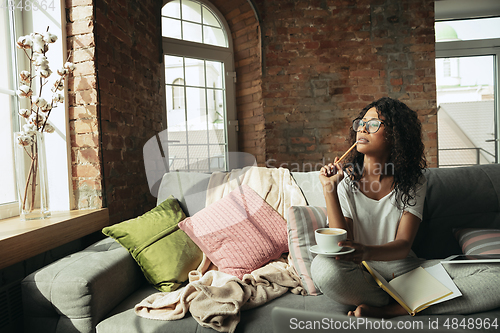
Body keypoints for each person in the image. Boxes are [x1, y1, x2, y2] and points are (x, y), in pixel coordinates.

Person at [311, 97, 500, 318]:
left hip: (405, 268)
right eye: (361, 123)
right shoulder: (345, 183)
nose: (363, 129)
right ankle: (417, 299)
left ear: (395, 135)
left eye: (373, 124)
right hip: (362, 273)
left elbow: (402, 246)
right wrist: (329, 190)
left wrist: (368, 250)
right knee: (323, 269)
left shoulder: (413, 182)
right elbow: (341, 247)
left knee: (496, 275)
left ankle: (393, 308)